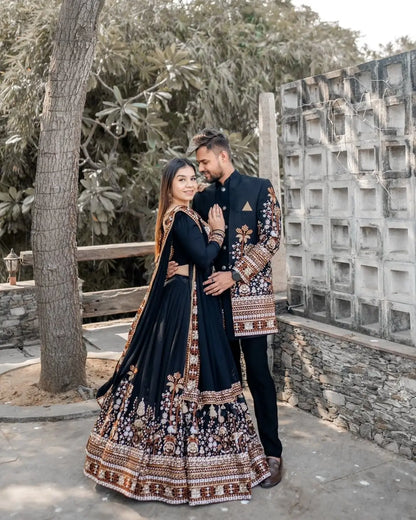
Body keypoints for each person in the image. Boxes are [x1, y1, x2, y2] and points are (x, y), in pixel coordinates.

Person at [84, 157, 270, 506]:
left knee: (186, 375)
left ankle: (197, 460)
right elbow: (204, 257)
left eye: (192, 177)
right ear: (168, 185)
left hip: (194, 300)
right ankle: (168, 465)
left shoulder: (186, 214)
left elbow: (187, 258)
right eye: (181, 179)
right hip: (186, 307)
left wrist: (185, 262)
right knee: (181, 374)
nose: (189, 184)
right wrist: (218, 232)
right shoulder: (181, 215)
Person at [181, 129, 283, 487]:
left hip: (251, 302)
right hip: (212, 305)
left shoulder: (259, 188)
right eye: (198, 164)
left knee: (259, 377)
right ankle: (234, 453)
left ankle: (272, 454)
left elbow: (271, 239)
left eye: (204, 162)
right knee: (223, 380)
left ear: (222, 155)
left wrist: (235, 275)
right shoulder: (201, 197)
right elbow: (191, 242)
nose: (201, 169)